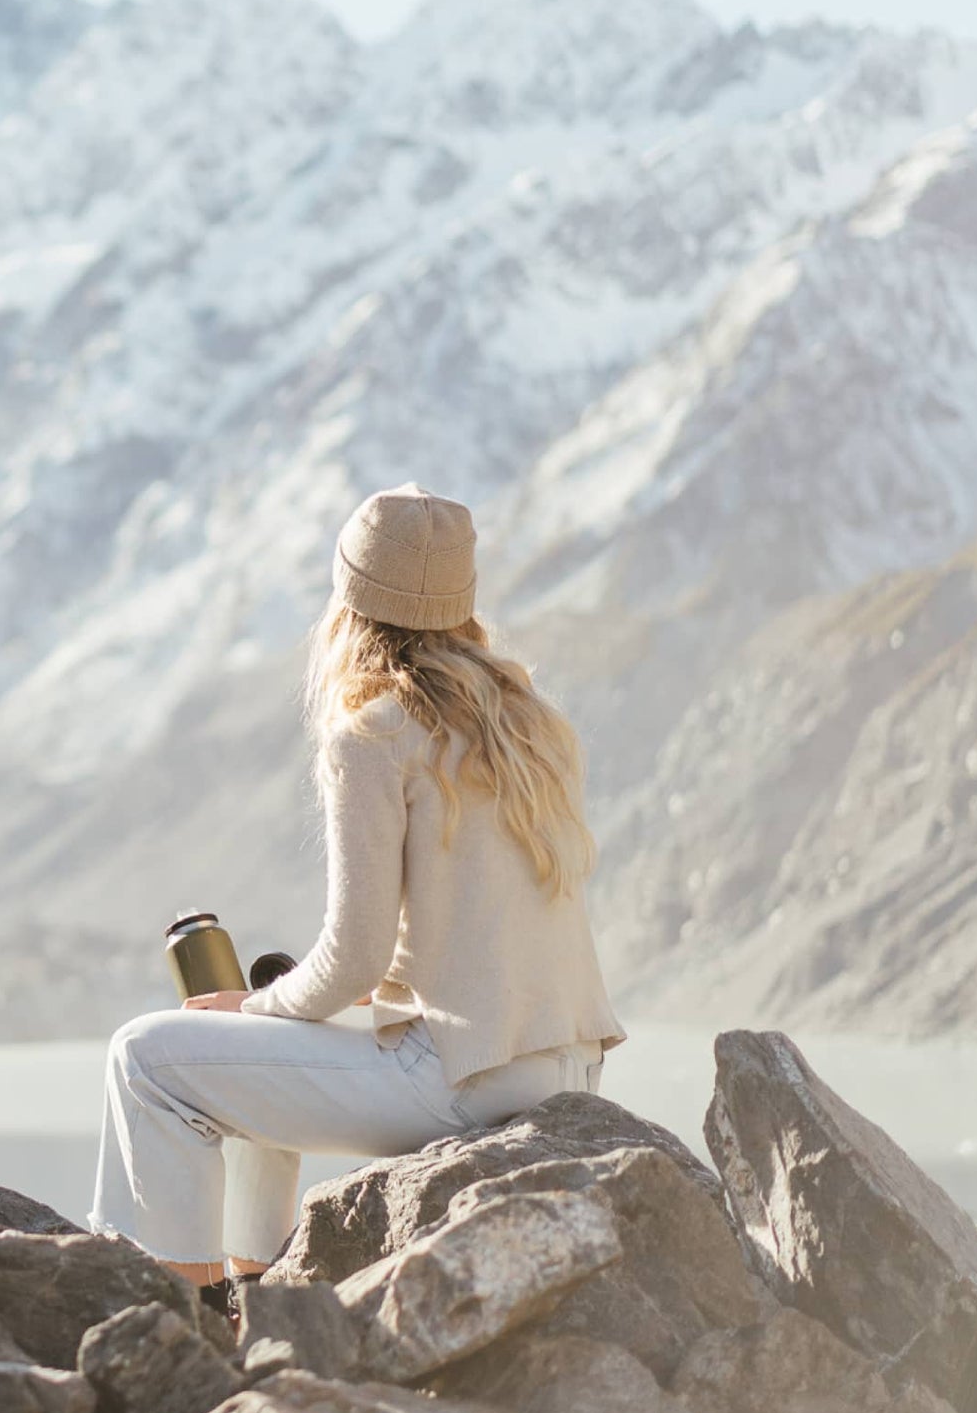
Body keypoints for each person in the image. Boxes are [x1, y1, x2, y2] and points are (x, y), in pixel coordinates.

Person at [89, 482, 625, 1316]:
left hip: (460, 1079)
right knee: (274, 1032)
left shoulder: (373, 733)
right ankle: (257, 1291)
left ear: (349, 602)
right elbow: (478, 932)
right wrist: (287, 1009)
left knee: (147, 1059)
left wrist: (255, 1005)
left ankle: (175, 1326)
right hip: (565, 1069)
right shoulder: (532, 722)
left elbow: (355, 956)